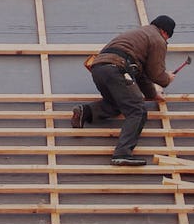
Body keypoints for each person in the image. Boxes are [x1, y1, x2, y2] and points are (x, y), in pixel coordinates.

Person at [72, 15, 176, 166]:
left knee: (117, 104)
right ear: (165, 32)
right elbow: (155, 73)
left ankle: (85, 112)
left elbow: (141, 74)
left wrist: (152, 94)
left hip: (99, 68)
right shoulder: (158, 39)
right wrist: (166, 79)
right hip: (118, 69)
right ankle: (122, 153)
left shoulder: (139, 34)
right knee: (137, 110)